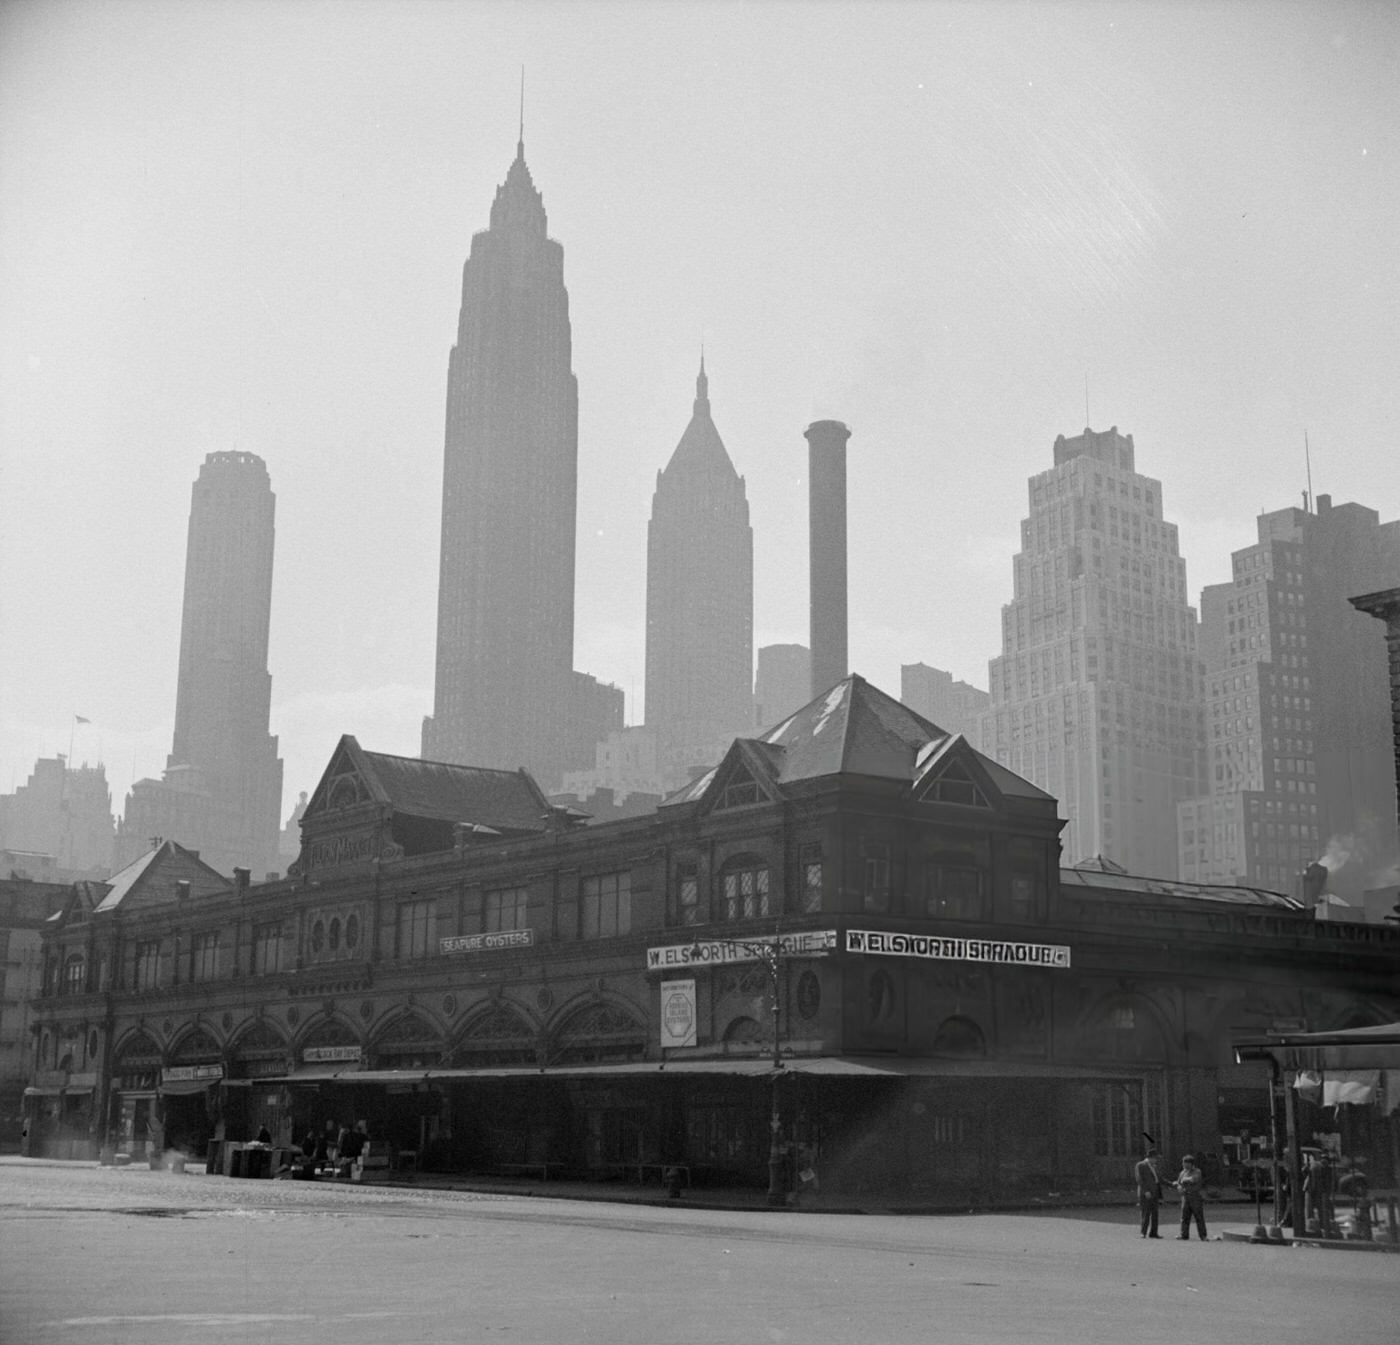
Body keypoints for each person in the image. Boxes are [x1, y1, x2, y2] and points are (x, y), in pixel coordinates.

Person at [1174, 1154, 1208, 1240]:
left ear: (1190, 1164)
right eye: (1183, 1163)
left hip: (1195, 1196)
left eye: (1185, 1163)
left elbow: (1194, 1179)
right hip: (1185, 1197)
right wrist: (1179, 1186)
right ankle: (1184, 1235)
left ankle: (1203, 1236)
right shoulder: (1182, 1172)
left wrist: (1185, 1180)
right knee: (1184, 1217)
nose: (1183, 1165)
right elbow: (1179, 1183)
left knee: (1199, 1217)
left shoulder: (1197, 1171)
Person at [1134, 1146, 1164, 1238]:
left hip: (1155, 1193)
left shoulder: (1154, 1167)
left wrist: (1172, 1184)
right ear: (1151, 1157)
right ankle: (1143, 1232)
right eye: (1156, 1158)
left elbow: (1159, 1179)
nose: (1157, 1160)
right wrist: (1145, 1191)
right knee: (1145, 1213)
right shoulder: (1141, 1165)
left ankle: (1154, 1232)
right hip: (1146, 1193)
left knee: (1155, 1214)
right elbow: (1139, 1179)